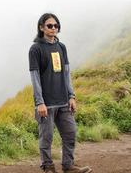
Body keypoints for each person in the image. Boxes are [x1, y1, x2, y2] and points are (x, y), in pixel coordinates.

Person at [28, 13, 92, 173]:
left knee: (70, 133)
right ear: (41, 27)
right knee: (46, 137)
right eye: (49, 25)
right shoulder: (35, 49)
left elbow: (66, 73)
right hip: (46, 104)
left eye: (56, 26)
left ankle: (68, 166)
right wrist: (39, 102)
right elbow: (35, 77)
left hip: (64, 101)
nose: (53, 28)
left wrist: (72, 96)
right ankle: (48, 167)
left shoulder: (61, 47)